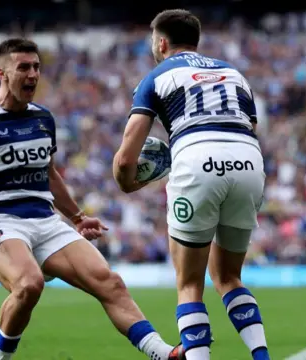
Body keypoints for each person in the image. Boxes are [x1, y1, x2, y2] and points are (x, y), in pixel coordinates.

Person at [0, 38, 183, 360]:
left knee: (109, 281)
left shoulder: (43, 118)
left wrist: (77, 217)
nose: (33, 75)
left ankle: (163, 353)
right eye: (23, 68)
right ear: (1, 72)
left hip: (46, 221)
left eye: (37, 67)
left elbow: (50, 174)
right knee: (29, 285)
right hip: (5, 223)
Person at [113, 9, 271, 360]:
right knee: (229, 277)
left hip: (197, 159)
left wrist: (128, 182)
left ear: (162, 42)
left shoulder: (157, 76)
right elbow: (251, 128)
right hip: (248, 160)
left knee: (189, 284)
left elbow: (126, 158)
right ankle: (262, 355)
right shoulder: (235, 74)